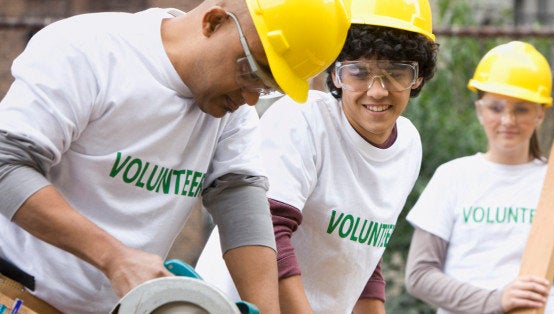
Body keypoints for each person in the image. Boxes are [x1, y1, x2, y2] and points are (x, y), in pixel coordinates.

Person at [0, 0, 351, 312]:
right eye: (251, 72)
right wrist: (114, 258)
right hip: (15, 293)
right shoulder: (90, 51)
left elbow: (240, 201)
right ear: (213, 22)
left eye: (266, 88)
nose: (249, 98)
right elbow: (6, 163)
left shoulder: (231, 111)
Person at [196, 0, 439, 313]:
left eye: (396, 73)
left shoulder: (407, 144)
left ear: (418, 77)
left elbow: (363, 257)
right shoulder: (303, 119)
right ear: (335, 74)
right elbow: (269, 233)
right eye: (359, 72)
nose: (377, 91)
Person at [404, 41, 554, 314]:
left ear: (540, 113)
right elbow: (419, 276)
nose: (508, 120)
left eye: (521, 109)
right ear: (480, 110)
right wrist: (496, 300)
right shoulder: (452, 177)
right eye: (496, 108)